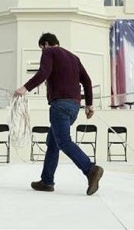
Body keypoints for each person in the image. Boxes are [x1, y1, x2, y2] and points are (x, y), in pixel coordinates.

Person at [13, 32, 103, 195]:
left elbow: (43, 72)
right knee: (53, 143)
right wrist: (89, 104)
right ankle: (47, 181)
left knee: (63, 141)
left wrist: (24, 88)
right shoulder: (74, 58)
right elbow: (87, 81)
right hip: (75, 107)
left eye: (41, 48)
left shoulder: (49, 52)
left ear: (46, 44)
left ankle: (90, 169)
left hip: (60, 105)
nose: (42, 52)